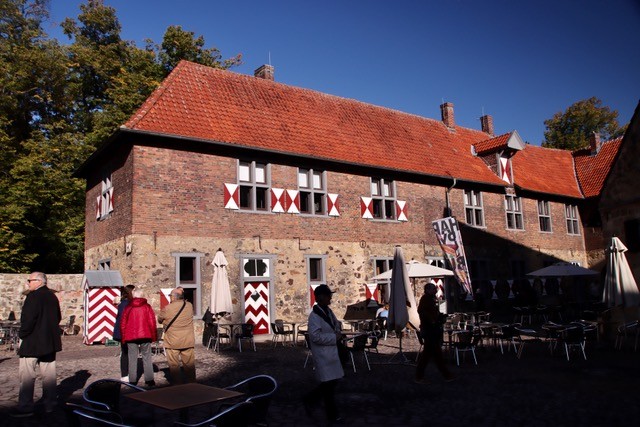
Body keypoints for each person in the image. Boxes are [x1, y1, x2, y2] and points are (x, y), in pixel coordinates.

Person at [12, 272, 62, 417]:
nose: (28, 283)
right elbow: (57, 317)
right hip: (49, 342)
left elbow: (28, 319)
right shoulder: (52, 297)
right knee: (49, 376)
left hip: (32, 342)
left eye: (30, 280)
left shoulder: (33, 297)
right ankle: (50, 405)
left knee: (27, 376)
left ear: (39, 281)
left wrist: (23, 334)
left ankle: (26, 406)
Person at [303, 284, 344, 423]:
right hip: (324, 355)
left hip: (332, 354)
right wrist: (334, 338)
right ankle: (332, 415)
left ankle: (310, 399)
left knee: (331, 383)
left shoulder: (328, 311)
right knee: (328, 386)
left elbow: (334, 325)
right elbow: (315, 336)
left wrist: (338, 328)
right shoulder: (314, 316)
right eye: (328, 296)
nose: (330, 298)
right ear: (321, 297)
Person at [415, 282, 455, 384]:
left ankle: (420, 376)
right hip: (430, 331)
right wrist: (432, 320)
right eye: (433, 289)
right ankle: (446, 375)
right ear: (428, 290)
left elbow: (432, 313)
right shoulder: (425, 299)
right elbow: (422, 312)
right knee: (435, 354)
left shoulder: (431, 299)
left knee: (429, 355)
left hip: (432, 330)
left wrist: (440, 317)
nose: (435, 290)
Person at [157, 287, 196, 384]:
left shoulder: (167, 308)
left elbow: (160, 319)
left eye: (170, 296)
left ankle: (178, 385)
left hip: (172, 341)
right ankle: (192, 384)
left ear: (173, 298)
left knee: (174, 365)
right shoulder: (189, 306)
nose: (170, 297)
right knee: (189, 364)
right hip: (187, 340)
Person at [121, 289, 157, 387]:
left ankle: (132, 380)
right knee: (147, 357)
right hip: (145, 335)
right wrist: (154, 337)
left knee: (132, 358)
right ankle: (149, 380)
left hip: (131, 335)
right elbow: (152, 322)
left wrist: (123, 337)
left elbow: (123, 324)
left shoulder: (128, 307)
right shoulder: (147, 307)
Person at [112, 284, 135, 382]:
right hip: (126, 332)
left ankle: (126, 374)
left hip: (124, 332)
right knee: (127, 353)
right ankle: (127, 374)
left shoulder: (123, 304)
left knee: (126, 353)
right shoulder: (127, 304)